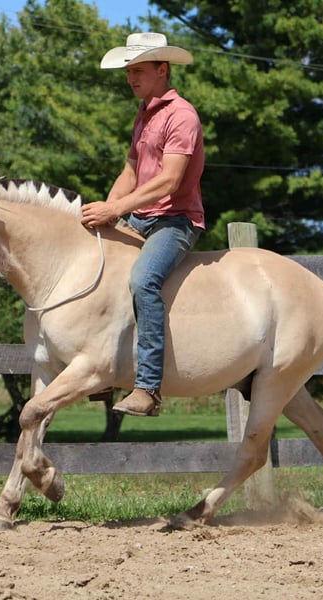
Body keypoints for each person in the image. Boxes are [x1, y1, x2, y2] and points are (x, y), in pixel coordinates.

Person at [81, 32, 205, 417]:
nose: (130, 77)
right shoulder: (145, 114)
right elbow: (130, 172)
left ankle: (148, 388)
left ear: (162, 70)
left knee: (143, 280)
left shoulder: (182, 115)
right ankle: (100, 370)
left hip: (176, 221)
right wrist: (106, 211)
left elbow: (169, 181)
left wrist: (115, 209)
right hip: (141, 217)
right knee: (94, 264)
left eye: (138, 70)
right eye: (128, 71)